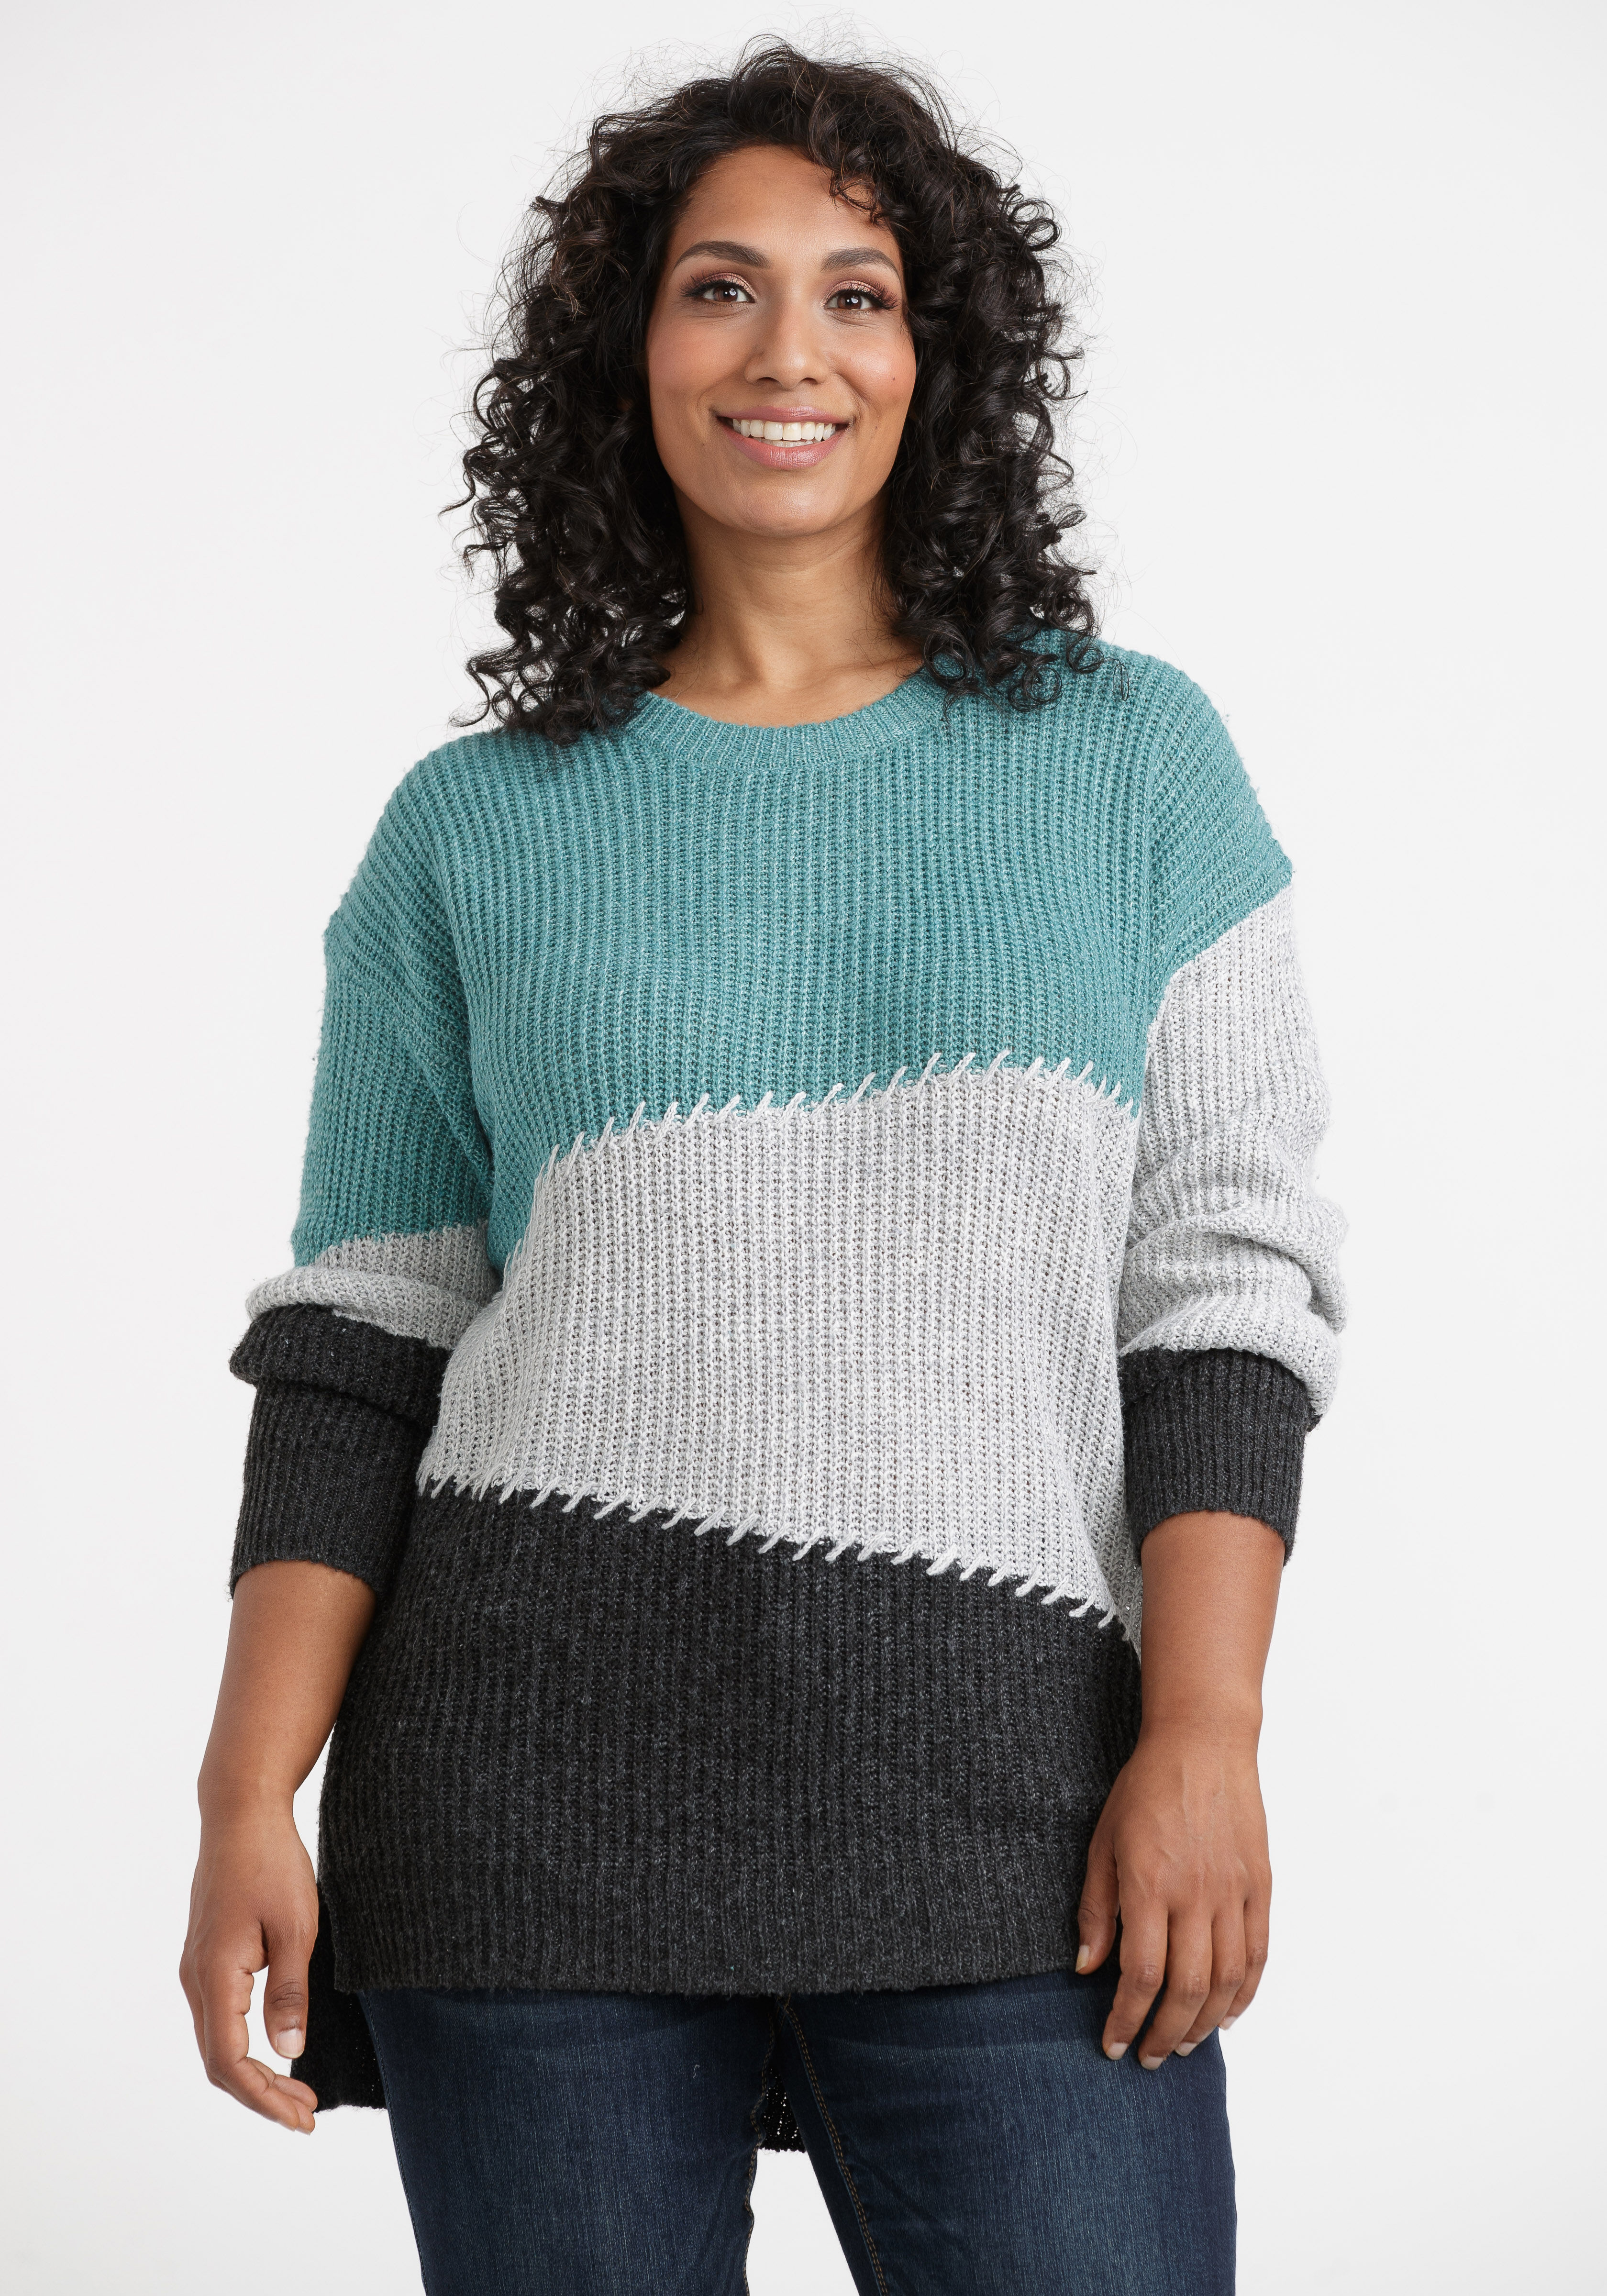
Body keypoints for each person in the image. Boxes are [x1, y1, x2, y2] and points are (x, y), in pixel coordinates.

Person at [180, 41, 1345, 2296]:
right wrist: (245, 1794)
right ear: (627, 355)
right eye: (720, 288)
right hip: (528, 1818)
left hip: (1019, 1804)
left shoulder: (1131, 760)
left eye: (857, 294)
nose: (788, 351)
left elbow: (1220, 1286)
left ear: (938, 357)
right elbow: (363, 1337)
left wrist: (1206, 1732)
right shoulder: (475, 827)